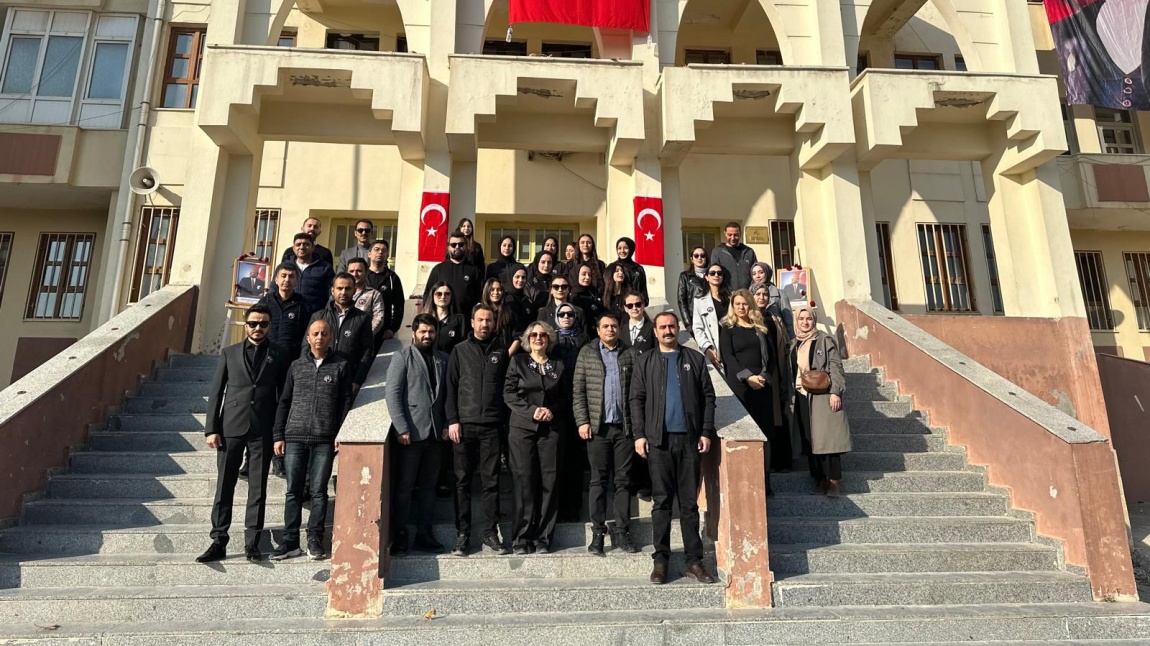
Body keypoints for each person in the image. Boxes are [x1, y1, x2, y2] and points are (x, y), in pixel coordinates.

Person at [197, 304, 290, 564]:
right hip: (230, 428)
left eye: (263, 324)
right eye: (253, 323)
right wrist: (211, 428)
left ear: (269, 326)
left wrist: (279, 431)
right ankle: (218, 540)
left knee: (257, 488)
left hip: (263, 429)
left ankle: (253, 542)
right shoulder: (229, 353)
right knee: (225, 485)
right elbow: (216, 392)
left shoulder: (279, 354)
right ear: (245, 324)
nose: (258, 328)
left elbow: (283, 397)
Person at [631, 311, 717, 585]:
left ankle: (693, 561)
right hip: (659, 441)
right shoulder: (645, 362)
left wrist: (705, 431)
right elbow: (636, 399)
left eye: (672, 326)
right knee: (662, 503)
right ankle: (661, 561)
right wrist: (640, 435)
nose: (668, 331)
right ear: (654, 332)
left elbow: (708, 397)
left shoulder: (694, 359)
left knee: (689, 504)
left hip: (689, 440)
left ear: (678, 329)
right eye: (662, 327)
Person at [271, 319, 354, 560]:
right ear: (308, 338)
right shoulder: (296, 367)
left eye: (324, 333)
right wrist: (278, 434)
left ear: (331, 338)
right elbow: (284, 401)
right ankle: (290, 541)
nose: (319, 337)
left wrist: (340, 433)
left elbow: (345, 404)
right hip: (295, 436)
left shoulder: (341, 367)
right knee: (293, 491)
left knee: (319, 492)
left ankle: (315, 539)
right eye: (315, 333)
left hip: (324, 439)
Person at [445, 305, 512, 556]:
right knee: (462, 481)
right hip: (464, 426)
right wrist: (452, 420)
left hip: (492, 427)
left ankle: (490, 533)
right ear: (472, 322)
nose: (485, 324)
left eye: (489, 320)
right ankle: (463, 534)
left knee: (491, 481)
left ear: (494, 323)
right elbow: (450, 389)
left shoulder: (501, 352)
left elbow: (506, 390)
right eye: (480, 320)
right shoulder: (459, 351)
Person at [573, 312, 639, 556]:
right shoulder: (587, 353)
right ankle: (598, 532)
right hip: (598, 428)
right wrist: (582, 421)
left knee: (623, 481)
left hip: (624, 428)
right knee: (598, 481)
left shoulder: (630, 353)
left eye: (614, 325)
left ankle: (622, 531)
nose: (610, 329)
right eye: (606, 326)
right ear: (598, 330)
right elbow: (578, 390)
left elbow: (637, 390)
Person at [385, 313, 448, 555]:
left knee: (429, 487)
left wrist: (446, 423)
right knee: (404, 487)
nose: (427, 335)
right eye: (423, 331)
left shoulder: (443, 358)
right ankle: (400, 535)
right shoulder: (402, 357)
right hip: (410, 433)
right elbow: (393, 394)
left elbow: (446, 396)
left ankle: (425, 533)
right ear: (414, 333)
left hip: (435, 434)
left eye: (431, 332)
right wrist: (401, 427)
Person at [503, 321, 568, 554]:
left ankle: (543, 537)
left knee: (549, 483)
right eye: (533, 335)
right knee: (524, 482)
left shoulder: (558, 365)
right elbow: (508, 394)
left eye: (543, 335)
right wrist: (532, 412)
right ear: (527, 340)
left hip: (551, 431)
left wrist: (553, 410)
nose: (538, 338)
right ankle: (521, 537)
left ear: (549, 339)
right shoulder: (517, 362)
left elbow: (565, 397)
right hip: (522, 430)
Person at [719, 290, 777, 494]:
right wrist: (747, 377)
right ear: (732, 306)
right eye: (738, 304)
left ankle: (766, 481)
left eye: (745, 304)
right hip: (741, 388)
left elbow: (771, 358)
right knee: (746, 434)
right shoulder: (728, 329)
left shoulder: (760, 328)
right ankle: (747, 480)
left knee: (765, 433)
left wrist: (763, 377)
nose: (741, 307)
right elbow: (729, 358)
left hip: (762, 386)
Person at [790, 306, 851, 498]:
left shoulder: (824, 340)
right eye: (801, 319)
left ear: (814, 320)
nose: (805, 322)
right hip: (801, 396)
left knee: (828, 440)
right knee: (810, 440)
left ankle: (834, 481)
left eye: (809, 319)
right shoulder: (794, 344)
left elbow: (836, 367)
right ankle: (818, 479)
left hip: (823, 395)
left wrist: (836, 392)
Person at [255, 264, 307, 480]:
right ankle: (252, 461)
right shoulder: (264, 303)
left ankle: (279, 460)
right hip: (264, 365)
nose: (287, 280)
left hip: (289, 366)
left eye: (291, 276)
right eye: (283, 276)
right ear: (275, 279)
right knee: (259, 410)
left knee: (282, 411)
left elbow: (306, 337)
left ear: (296, 281)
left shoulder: (303, 305)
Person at [752, 282, 795, 473]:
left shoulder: (774, 317)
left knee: (780, 415)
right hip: (759, 374)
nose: (762, 297)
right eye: (758, 294)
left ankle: (782, 460)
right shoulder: (749, 318)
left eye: (765, 294)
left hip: (777, 372)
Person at [308, 273, 374, 397]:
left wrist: (357, 380)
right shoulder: (318, 316)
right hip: (319, 376)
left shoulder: (362, 318)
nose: (343, 292)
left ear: (354, 290)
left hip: (347, 379)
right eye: (339, 288)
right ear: (332, 291)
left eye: (348, 288)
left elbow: (366, 352)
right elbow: (306, 347)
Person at [551, 301, 587, 522]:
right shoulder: (549, 339)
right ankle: (556, 507)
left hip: (578, 404)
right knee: (556, 458)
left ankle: (573, 508)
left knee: (575, 459)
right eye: (562, 314)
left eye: (570, 314)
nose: (566, 317)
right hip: (556, 404)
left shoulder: (584, 340)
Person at [424, 232, 482, 316]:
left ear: (466, 246)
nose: (457, 247)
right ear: (448, 247)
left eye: (461, 244)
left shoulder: (474, 270)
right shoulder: (438, 269)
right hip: (442, 322)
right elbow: (427, 294)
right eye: (453, 245)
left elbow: (479, 296)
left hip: (466, 322)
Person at [365, 239, 405, 347]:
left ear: (387, 255)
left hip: (383, 331)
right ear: (369, 254)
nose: (380, 253)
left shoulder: (392, 278)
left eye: (383, 250)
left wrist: (392, 329)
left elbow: (399, 305)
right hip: (362, 328)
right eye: (376, 249)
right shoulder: (362, 276)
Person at [692, 263, 730, 369]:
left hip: (733, 344)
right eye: (712, 273)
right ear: (707, 277)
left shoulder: (732, 298)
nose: (716, 275)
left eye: (719, 273)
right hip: (716, 346)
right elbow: (697, 328)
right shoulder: (700, 301)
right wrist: (707, 348)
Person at [290, 233, 335, 316]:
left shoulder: (325, 268)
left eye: (306, 244)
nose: (302, 247)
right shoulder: (285, 267)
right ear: (293, 248)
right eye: (298, 244)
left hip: (315, 316)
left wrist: (325, 314)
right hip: (289, 314)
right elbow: (274, 290)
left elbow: (331, 294)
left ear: (313, 247)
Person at [710, 221, 758, 290]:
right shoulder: (717, 252)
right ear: (725, 234)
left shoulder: (749, 252)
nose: (733, 238)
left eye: (736, 235)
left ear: (740, 234)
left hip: (747, 294)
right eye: (729, 235)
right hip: (726, 295)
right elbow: (714, 275)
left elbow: (755, 273)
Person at [423, 281, 467, 355]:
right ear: (432, 296)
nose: (443, 297)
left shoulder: (459, 320)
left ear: (451, 296)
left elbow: (463, 346)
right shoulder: (424, 319)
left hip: (449, 363)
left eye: (447, 294)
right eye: (439, 294)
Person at [751, 263, 793, 339]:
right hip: (756, 336)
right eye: (754, 274)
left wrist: (792, 341)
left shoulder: (780, 293)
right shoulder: (748, 294)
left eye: (761, 272)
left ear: (767, 273)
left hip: (777, 335)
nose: (757, 276)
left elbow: (789, 321)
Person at [346, 258, 385, 338]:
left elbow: (378, 318)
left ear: (366, 272)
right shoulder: (339, 292)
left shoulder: (374, 294)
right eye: (351, 271)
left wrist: (365, 334)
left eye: (359, 271)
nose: (355, 274)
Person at [482, 278, 521, 355]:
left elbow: (517, 338)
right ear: (487, 291)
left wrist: (507, 356)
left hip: (506, 355)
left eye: (499, 290)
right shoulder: (480, 311)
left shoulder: (510, 311)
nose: (496, 292)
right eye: (492, 289)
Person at [607, 237, 648, 304]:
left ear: (631, 249)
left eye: (625, 248)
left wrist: (641, 303)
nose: (622, 251)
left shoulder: (639, 268)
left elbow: (643, 291)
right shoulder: (612, 267)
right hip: (617, 307)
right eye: (619, 248)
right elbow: (607, 290)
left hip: (634, 306)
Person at [678, 246, 709, 330]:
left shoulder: (712, 274)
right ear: (692, 259)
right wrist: (688, 323)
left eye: (702, 256)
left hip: (710, 315)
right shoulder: (685, 276)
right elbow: (681, 300)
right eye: (696, 256)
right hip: (694, 317)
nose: (699, 258)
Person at [506, 265, 537, 333]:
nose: (520, 280)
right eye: (517, 277)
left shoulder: (527, 301)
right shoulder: (504, 298)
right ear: (511, 277)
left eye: (523, 277)